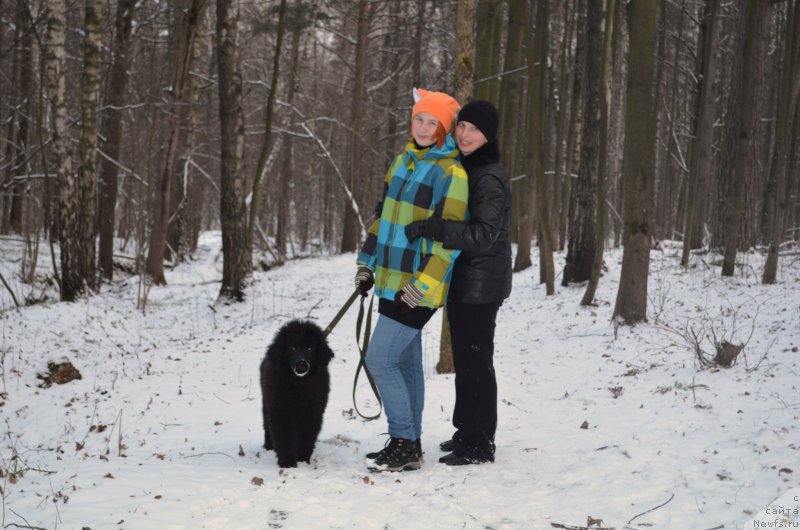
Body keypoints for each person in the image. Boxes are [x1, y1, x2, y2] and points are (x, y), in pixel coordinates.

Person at [354, 88, 468, 473]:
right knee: (403, 363)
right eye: (419, 119)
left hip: (418, 287)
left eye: (431, 121)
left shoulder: (450, 172)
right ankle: (411, 445)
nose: (422, 127)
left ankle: (403, 440)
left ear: (443, 128)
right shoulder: (401, 163)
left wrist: (423, 284)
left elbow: (451, 242)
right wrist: (366, 263)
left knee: (379, 359)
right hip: (389, 279)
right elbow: (381, 218)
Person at [405, 100, 512, 465]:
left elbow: (483, 235)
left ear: (488, 136)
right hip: (466, 280)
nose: (465, 134)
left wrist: (435, 229)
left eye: (474, 129)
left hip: (481, 285)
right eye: (462, 126)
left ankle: (479, 444)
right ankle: (467, 430)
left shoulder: (488, 177)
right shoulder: (466, 167)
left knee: (475, 362)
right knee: (467, 361)